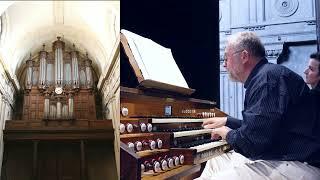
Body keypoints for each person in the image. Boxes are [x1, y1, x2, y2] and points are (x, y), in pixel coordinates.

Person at [197, 32, 320, 180]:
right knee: (216, 162)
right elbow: (264, 127)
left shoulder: (267, 80)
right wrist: (227, 121)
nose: (224, 64)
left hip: (301, 164)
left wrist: (227, 132)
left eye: (226, 57)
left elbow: (252, 144)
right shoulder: (265, 75)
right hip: (283, 155)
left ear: (244, 56)